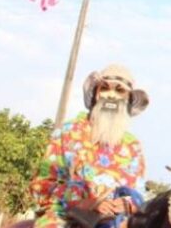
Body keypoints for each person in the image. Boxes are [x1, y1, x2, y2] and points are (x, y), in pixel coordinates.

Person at [30, 64, 149, 228]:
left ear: (128, 99)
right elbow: (41, 185)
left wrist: (126, 203)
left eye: (119, 90)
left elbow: (139, 192)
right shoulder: (67, 132)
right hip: (67, 216)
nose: (111, 96)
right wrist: (84, 202)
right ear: (95, 94)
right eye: (105, 88)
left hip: (117, 221)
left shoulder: (133, 146)